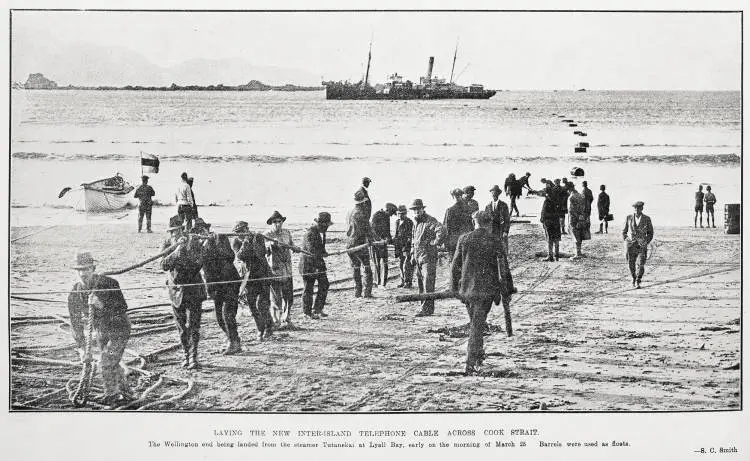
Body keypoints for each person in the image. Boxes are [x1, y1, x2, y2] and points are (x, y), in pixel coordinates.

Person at [451, 211, 512, 375]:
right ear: (488, 223)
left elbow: (455, 266)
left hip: (467, 291)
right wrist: (508, 289)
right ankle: (471, 361)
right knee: (477, 325)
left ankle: (478, 354)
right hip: (487, 291)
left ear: (474, 222)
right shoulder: (495, 240)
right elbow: (504, 268)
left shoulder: (464, 239)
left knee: (476, 322)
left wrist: (454, 289)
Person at [68, 251, 133, 406]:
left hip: (119, 328)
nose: (83, 273)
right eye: (80, 270)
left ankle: (112, 395)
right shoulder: (75, 294)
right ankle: (127, 392)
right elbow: (75, 323)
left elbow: (122, 308)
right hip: (101, 330)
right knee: (112, 362)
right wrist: (82, 348)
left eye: (86, 269)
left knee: (105, 362)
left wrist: (102, 305)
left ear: (93, 268)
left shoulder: (110, 284)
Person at [161, 215, 206, 369]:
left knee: (194, 325)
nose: (174, 234)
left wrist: (185, 251)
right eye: (171, 232)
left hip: (193, 289)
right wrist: (176, 251)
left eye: (177, 231)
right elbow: (163, 265)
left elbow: (198, 263)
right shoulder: (168, 244)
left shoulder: (193, 242)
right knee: (181, 327)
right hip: (175, 291)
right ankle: (186, 355)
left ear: (182, 229)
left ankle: (194, 357)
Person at [194, 219, 242, 355]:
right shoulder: (196, 246)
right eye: (197, 232)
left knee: (228, 315)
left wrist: (210, 243)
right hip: (215, 286)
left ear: (206, 229)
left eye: (201, 230)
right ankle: (232, 339)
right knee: (219, 317)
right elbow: (197, 263)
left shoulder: (220, 238)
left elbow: (230, 256)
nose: (200, 233)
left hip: (229, 282)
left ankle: (234, 342)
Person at [232, 221, 274, 340]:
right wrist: (246, 241)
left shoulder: (257, 238)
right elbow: (240, 255)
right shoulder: (236, 241)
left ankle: (268, 327)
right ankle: (260, 328)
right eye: (239, 232)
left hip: (262, 275)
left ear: (247, 229)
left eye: (243, 231)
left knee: (262, 304)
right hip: (249, 277)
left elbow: (261, 254)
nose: (241, 234)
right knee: (252, 305)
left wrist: (253, 241)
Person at [410, 198, 446, 317]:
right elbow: (413, 240)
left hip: (428, 257)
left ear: (422, 209)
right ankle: (424, 307)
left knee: (427, 283)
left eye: (418, 210)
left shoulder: (429, 220)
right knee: (421, 283)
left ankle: (426, 309)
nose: (416, 212)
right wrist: (412, 254)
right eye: (414, 210)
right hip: (418, 257)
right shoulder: (416, 222)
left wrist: (434, 242)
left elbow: (441, 230)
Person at [264, 211, 298, 329]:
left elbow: (292, 245)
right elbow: (264, 248)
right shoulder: (267, 234)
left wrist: (295, 248)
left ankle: (287, 318)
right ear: (271, 223)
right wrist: (272, 244)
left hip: (287, 270)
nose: (278, 224)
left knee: (289, 297)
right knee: (275, 298)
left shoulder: (287, 233)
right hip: (275, 270)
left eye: (280, 221)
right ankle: (276, 321)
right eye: (275, 222)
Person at [299, 212, 332, 319]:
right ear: (321, 224)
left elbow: (320, 248)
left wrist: (324, 252)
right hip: (308, 265)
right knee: (308, 288)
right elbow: (311, 251)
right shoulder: (310, 233)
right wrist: (320, 255)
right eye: (326, 225)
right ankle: (307, 312)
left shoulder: (318, 232)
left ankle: (318, 309)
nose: (327, 227)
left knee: (324, 284)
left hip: (318, 263)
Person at [347, 190, 379, 298]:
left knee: (355, 267)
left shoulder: (350, 212)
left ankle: (357, 292)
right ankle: (367, 292)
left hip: (350, 244)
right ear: (363, 202)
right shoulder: (362, 214)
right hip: (360, 244)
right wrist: (372, 240)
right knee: (367, 268)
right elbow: (367, 229)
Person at [623, 201, 654, 289]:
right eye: (635, 208)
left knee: (641, 264)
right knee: (630, 263)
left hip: (642, 245)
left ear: (642, 208)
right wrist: (626, 239)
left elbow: (651, 233)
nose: (637, 210)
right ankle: (633, 277)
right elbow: (624, 232)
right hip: (631, 245)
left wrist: (646, 241)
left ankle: (638, 280)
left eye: (639, 208)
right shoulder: (628, 217)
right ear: (634, 208)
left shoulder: (647, 219)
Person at [371, 203, 397, 286]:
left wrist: (388, 239)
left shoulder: (387, 217)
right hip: (375, 243)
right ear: (387, 210)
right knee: (376, 263)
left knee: (384, 263)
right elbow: (372, 230)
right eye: (391, 213)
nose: (391, 216)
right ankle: (376, 282)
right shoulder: (376, 215)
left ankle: (383, 283)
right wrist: (379, 239)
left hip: (383, 244)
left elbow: (387, 230)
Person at [444, 188, 474, 260]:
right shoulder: (468, 209)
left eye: (459, 196)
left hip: (457, 241)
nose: (457, 198)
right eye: (457, 196)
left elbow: (446, 227)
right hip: (462, 240)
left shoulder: (450, 210)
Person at [393, 205, 414, 288]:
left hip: (406, 246)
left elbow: (410, 236)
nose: (401, 215)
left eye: (402, 213)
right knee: (401, 264)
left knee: (407, 264)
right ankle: (403, 281)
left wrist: (407, 245)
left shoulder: (409, 222)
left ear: (405, 213)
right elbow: (396, 235)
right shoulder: (397, 222)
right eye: (399, 213)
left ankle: (408, 282)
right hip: (399, 246)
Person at [567, 183, 589, 259]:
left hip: (574, 219)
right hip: (582, 218)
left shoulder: (571, 197)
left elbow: (571, 210)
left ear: (569, 189)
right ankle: (579, 252)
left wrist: (576, 217)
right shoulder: (581, 196)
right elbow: (586, 207)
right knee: (580, 235)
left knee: (576, 236)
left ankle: (578, 253)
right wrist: (582, 216)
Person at [540, 183, 561, 261]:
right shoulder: (556, 200)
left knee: (549, 239)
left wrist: (542, 220)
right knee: (556, 239)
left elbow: (544, 212)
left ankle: (550, 256)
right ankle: (557, 256)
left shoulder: (547, 201)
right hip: (556, 221)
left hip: (548, 222)